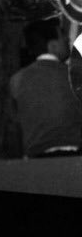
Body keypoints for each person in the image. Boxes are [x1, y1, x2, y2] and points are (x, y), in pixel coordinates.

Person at [9, 20, 82, 157]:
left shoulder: (16, 80)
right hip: (74, 156)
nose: (68, 40)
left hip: (35, 159)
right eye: (63, 37)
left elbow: (16, 122)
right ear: (53, 46)